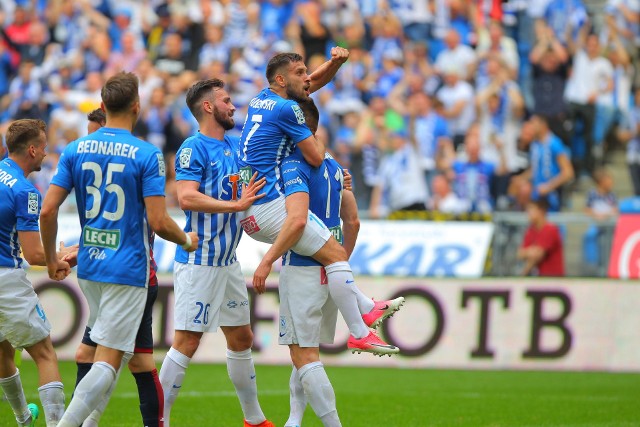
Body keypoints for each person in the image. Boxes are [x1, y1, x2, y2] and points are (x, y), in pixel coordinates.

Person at [39, 72, 199, 427]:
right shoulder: (147, 154)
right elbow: (158, 221)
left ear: (102, 106)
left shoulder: (75, 149)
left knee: (100, 354)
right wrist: (187, 239)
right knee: (109, 361)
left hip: (91, 269)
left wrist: (51, 259)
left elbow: (48, 210)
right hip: (128, 270)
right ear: (137, 106)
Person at [237, 50, 399, 355]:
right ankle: (359, 330)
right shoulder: (288, 110)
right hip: (270, 205)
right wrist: (321, 145)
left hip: (250, 208)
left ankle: (366, 307)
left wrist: (335, 64)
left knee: (332, 257)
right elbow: (314, 156)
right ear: (282, 80)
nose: (307, 77)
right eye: (299, 72)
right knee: (337, 255)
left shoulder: (261, 97)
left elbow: (310, 83)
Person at [280, 98, 404, 427]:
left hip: (302, 269)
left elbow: (294, 220)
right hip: (330, 273)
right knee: (305, 354)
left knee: (303, 355)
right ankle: (293, 420)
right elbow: (354, 222)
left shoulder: (292, 164)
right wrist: (339, 265)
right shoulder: (335, 168)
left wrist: (267, 259)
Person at [158, 78, 273, 427]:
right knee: (187, 341)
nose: (233, 105)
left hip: (227, 262)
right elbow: (185, 197)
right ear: (208, 107)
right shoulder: (193, 148)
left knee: (241, 336)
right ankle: (158, 419)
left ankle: (253, 419)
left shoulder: (235, 146)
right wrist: (235, 204)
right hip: (200, 261)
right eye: (226, 100)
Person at [71, 109, 164, 427]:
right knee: (90, 356)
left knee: (136, 362)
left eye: (95, 133)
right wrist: (75, 252)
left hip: (132, 276)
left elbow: (146, 223)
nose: (91, 141)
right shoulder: (100, 163)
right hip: (105, 272)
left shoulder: (133, 164)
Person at [0, 119, 68, 427]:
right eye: (43, 147)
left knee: (3, 353)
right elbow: (34, 254)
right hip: (7, 281)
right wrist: (65, 258)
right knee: (44, 353)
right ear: (31, 149)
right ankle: (55, 424)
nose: (45, 153)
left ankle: (23, 419)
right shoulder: (25, 191)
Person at [518, 198, 565, 277]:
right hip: (539, 279)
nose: (528, 213)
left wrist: (523, 273)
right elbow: (519, 253)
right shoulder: (531, 230)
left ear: (541, 211)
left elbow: (537, 256)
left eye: (531, 209)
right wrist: (530, 252)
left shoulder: (550, 230)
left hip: (553, 279)